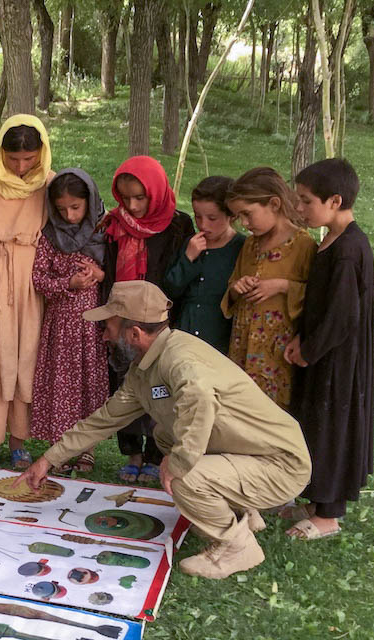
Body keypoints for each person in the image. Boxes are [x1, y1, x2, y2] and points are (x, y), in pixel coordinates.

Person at [19, 281, 312, 580]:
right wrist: (49, 459)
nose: (103, 335)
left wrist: (179, 464)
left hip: (280, 464)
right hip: (253, 453)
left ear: (134, 333)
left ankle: (238, 546)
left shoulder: (179, 359)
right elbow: (103, 420)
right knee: (165, 435)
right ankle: (242, 514)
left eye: (108, 326)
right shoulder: (147, 367)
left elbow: (199, 399)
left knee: (184, 477)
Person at [282, 158, 374, 540]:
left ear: (334, 201)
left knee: (334, 425)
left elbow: (342, 315)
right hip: (323, 353)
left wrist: (310, 349)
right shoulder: (332, 239)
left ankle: (329, 515)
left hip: (338, 358)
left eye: (306, 202)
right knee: (316, 424)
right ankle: (317, 499)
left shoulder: (349, 248)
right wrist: (302, 339)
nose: (300, 209)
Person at [100, 155, 195, 485]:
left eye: (140, 198)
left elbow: (179, 275)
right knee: (124, 384)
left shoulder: (178, 226)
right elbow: (109, 271)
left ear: (155, 192)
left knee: (160, 388)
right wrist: (110, 318)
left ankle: (157, 453)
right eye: (126, 198)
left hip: (159, 322)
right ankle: (133, 452)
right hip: (124, 318)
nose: (133, 206)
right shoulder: (115, 223)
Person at [0, 114, 54, 471]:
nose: (20, 167)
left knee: (26, 355)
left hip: (31, 276)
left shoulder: (49, 183)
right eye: (13, 159)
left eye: (28, 159)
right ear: (0, 151)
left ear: (41, 153)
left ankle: (19, 439)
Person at [29, 168, 108, 474]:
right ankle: (60, 448)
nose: (70, 215)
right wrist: (68, 283)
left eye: (76, 207)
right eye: (62, 209)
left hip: (92, 325)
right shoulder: (51, 235)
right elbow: (39, 279)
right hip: (61, 326)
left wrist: (100, 276)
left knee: (88, 385)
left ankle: (86, 448)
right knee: (61, 386)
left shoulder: (103, 229)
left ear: (89, 200)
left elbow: (117, 273)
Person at [222, 166, 315, 409]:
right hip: (242, 346)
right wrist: (237, 288)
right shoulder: (250, 245)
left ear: (274, 204)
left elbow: (317, 296)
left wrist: (283, 286)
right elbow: (233, 284)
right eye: (239, 217)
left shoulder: (303, 245)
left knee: (270, 418)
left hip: (277, 355)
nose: (243, 223)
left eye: (247, 214)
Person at [162, 176, 246, 352]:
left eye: (212, 218)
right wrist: (188, 259)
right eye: (198, 217)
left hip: (218, 337)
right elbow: (171, 290)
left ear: (231, 214)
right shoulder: (191, 244)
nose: (203, 225)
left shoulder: (241, 247)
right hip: (185, 333)